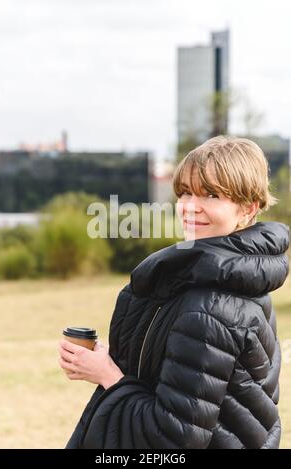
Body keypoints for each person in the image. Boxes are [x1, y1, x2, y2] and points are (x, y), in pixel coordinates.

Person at [59, 135, 289, 449]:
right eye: (185, 192)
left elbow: (174, 438)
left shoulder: (213, 304)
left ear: (247, 208)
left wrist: (109, 375)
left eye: (210, 194)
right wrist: (113, 359)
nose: (190, 207)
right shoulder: (205, 278)